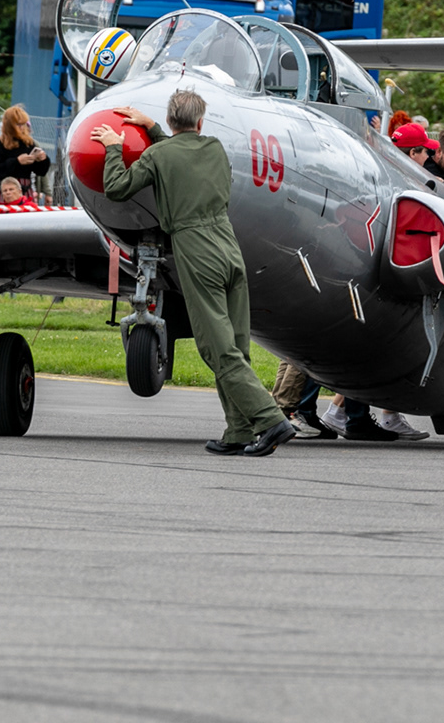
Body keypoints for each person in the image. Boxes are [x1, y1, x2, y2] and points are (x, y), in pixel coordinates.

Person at [95, 91, 295, 457]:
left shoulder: (159, 155)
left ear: (171, 121)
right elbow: (180, 154)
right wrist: (153, 128)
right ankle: (238, 431)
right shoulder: (215, 148)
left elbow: (117, 188)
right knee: (236, 346)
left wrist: (113, 148)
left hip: (196, 248)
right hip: (229, 247)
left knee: (217, 349)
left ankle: (270, 420)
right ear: (200, 122)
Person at [0, 104, 52, 197]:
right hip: (4, 192)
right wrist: (17, 162)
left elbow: (41, 172)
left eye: (23, 124)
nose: (22, 127)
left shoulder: (28, 143)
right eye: (18, 124)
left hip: (24, 191)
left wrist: (42, 160)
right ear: (9, 126)